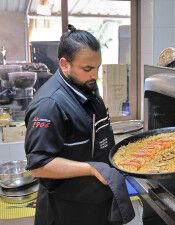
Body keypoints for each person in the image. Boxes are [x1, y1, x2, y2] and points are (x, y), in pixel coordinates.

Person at [25, 25, 117, 225]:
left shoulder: (86, 85)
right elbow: (39, 166)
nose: (95, 75)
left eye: (97, 67)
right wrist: (91, 168)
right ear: (65, 64)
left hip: (96, 202)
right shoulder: (49, 105)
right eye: (88, 69)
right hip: (67, 210)